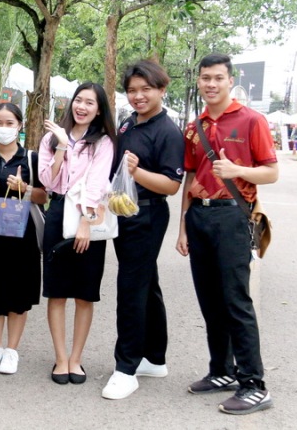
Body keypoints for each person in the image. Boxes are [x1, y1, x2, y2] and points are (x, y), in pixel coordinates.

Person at [176, 53, 278, 415]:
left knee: (236, 301)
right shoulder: (195, 126)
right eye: (205, 78)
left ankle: (254, 384)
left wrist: (237, 170)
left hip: (233, 216)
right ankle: (221, 370)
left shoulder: (251, 120)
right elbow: (190, 176)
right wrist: (183, 225)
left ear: (230, 81)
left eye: (218, 78)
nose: (211, 84)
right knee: (210, 300)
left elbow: (271, 172)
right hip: (199, 218)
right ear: (199, 81)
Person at [100, 60, 185, 400]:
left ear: (161, 89)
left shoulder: (168, 132)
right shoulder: (128, 123)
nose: (138, 96)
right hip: (124, 212)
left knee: (131, 287)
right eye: (132, 90)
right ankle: (155, 358)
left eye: (146, 89)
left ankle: (126, 369)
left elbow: (171, 185)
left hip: (147, 215)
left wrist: (137, 173)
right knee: (146, 284)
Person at [39, 82, 116, 385]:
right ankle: (60, 358)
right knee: (57, 292)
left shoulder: (103, 142)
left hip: (88, 216)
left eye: (90, 103)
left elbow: (96, 183)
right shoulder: (51, 138)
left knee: (85, 294)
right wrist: (61, 145)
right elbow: (47, 182)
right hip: (58, 214)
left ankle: (76, 358)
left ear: (99, 110)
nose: (82, 107)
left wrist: (86, 221)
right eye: (78, 100)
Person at [0, 103, 47, 375]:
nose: (4, 128)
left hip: (21, 231)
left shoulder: (31, 159)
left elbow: (44, 196)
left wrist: (25, 188)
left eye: (9, 123)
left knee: (18, 291)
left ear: (19, 126)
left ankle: (12, 350)